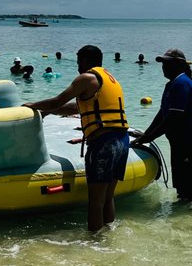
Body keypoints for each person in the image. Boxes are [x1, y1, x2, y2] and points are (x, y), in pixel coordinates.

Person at [23, 45, 130, 232]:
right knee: (107, 197)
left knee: (95, 202)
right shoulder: (109, 79)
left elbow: (59, 100)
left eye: (79, 59)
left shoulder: (86, 78)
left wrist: (32, 105)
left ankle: (94, 244)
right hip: (121, 141)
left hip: (103, 143)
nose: (78, 64)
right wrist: (48, 111)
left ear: (87, 60)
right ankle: (109, 236)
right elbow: (74, 108)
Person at [132, 48, 192, 204]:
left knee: (187, 186)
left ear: (180, 64)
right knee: (181, 186)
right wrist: (145, 134)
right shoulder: (171, 85)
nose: (164, 67)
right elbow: (163, 113)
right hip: (181, 141)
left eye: (168, 64)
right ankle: (185, 219)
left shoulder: (181, 83)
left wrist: (149, 137)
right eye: (163, 64)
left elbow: (173, 118)